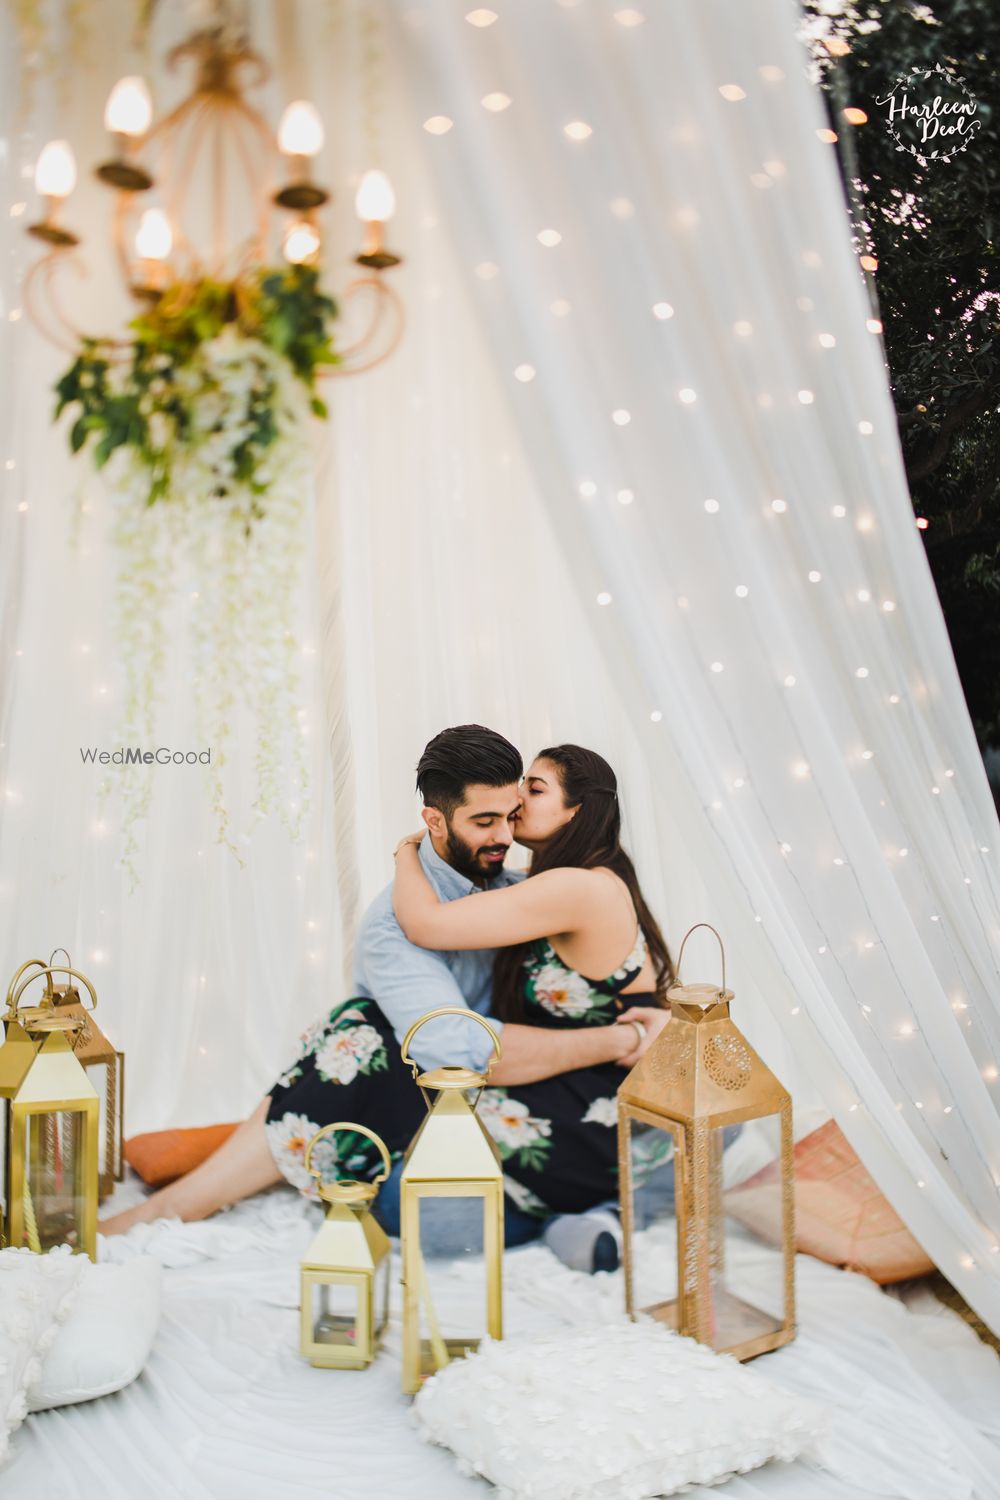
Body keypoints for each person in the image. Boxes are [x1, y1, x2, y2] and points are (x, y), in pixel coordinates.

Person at [100, 726, 695, 1269]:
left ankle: (208, 1179)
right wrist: (628, 1035)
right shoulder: (404, 922)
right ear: (436, 821)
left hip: (572, 1111)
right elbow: (450, 1040)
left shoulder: (543, 888)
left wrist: (639, 1032)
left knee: (367, 1069)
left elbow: (462, 1019)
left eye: (518, 808)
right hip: (524, 1093)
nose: (507, 834)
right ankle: (204, 1181)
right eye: (486, 820)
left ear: (575, 811)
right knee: (361, 1033)